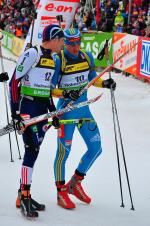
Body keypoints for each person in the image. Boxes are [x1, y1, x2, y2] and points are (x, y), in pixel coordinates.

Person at [52, 28, 116, 209]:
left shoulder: (87, 56)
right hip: (66, 112)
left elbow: (92, 79)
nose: (75, 46)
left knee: (96, 148)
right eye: (71, 43)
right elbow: (49, 89)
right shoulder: (59, 60)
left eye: (78, 42)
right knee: (63, 153)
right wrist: (65, 93)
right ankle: (60, 191)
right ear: (65, 42)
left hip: (84, 111)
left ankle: (75, 182)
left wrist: (104, 83)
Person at [9, 24, 64, 218]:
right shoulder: (33, 53)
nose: (63, 43)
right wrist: (15, 113)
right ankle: (25, 195)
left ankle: (22, 193)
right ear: (55, 39)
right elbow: (14, 82)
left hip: (41, 109)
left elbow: (47, 90)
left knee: (34, 150)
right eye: (62, 39)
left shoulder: (53, 58)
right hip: (28, 108)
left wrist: (53, 112)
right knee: (31, 149)